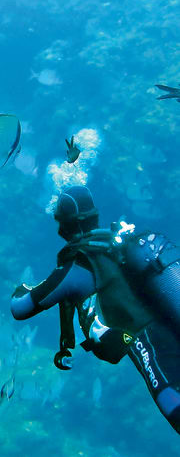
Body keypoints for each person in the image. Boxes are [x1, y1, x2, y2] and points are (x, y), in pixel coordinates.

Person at [10, 185, 180, 434]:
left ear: (64, 223)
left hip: (148, 339)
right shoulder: (118, 245)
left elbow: (20, 308)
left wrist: (20, 289)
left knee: (167, 392)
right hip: (170, 321)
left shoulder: (79, 264)